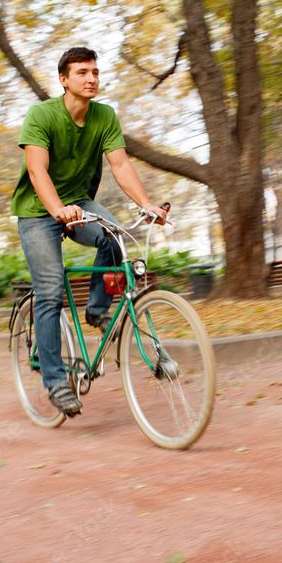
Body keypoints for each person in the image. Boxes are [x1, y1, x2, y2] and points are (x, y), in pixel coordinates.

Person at [11, 47, 167, 417]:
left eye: (95, 72)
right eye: (82, 73)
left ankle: (97, 310)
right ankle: (55, 381)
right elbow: (37, 171)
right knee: (50, 293)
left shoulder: (104, 116)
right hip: (37, 212)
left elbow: (121, 164)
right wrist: (57, 211)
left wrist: (146, 205)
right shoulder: (41, 115)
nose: (91, 78)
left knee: (115, 238)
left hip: (80, 204)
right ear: (64, 80)